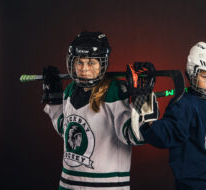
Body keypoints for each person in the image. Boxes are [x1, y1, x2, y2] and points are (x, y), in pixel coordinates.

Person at [42, 31, 144, 190]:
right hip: (68, 183)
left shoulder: (114, 91)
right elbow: (66, 129)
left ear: (102, 63)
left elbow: (133, 136)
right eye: (79, 62)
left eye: (91, 63)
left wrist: (141, 101)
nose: (84, 68)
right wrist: (55, 99)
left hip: (104, 186)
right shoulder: (70, 89)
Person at [138, 42, 206, 190]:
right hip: (193, 185)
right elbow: (168, 136)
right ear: (192, 72)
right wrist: (148, 121)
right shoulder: (185, 104)